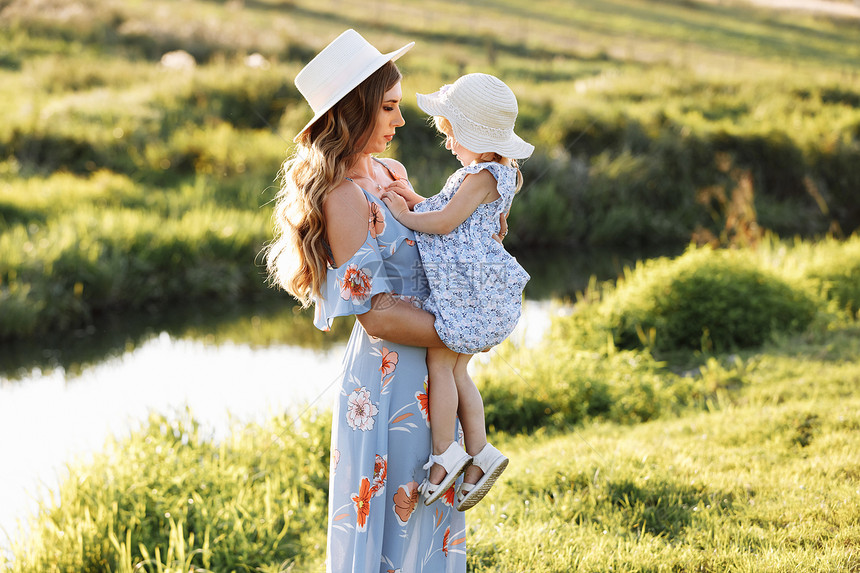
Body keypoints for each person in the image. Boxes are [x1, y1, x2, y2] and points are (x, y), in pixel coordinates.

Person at [265, 29, 483, 572]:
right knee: (393, 516)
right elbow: (379, 314)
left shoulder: (393, 174)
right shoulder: (343, 197)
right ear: (354, 110)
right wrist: (467, 328)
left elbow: (435, 255)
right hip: (387, 383)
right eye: (389, 107)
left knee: (433, 513)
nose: (401, 120)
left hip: (433, 371)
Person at [380, 73, 533, 512]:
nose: (448, 144)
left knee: (440, 364)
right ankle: (481, 452)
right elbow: (451, 212)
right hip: (473, 290)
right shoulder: (498, 174)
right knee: (458, 371)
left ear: (475, 134)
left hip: (465, 291)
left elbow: (445, 222)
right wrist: (412, 196)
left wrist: (402, 213)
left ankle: (446, 452)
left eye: (452, 134)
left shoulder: (479, 176)